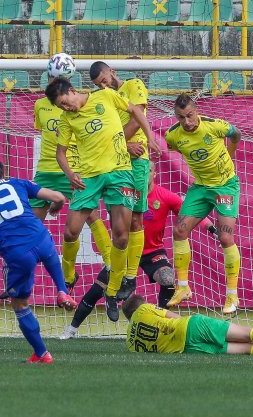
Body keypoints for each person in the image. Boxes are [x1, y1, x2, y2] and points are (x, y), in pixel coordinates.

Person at [59, 161, 217, 339]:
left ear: (155, 174)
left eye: (149, 171)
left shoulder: (165, 196)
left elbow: (190, 211)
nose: (145, 174)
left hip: (152, 252)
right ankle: (71, 329)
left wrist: (211, 227)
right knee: (97, 289)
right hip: (125, 252)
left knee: (168, 279)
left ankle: (160, 322)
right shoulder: (123, 193)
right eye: (143, 171)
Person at [45, 77, 159, 322]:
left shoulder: (105, 96)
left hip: (119, 174)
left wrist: (150, 136)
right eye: (61, 107)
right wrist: (69, 173)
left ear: (73, 91)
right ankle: (68, 277)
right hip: (89, 178)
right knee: (70, 233)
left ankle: (113, 288)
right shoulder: (67, 120)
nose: (66, 108)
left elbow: (135, 110)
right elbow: (60, 152)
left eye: (66, 102)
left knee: (121, 235)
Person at [0, 158, 76, 364]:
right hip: (41, 238)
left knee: (20, 303)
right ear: (3, 174)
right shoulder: (18, 183)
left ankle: (42, 353)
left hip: (17, 253)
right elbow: (59, 196)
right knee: (49, 250)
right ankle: (63, 291)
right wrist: (55, 206)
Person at [31, 76, 114, 291]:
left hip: (77, 168)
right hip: (47, 171)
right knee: (32, 224)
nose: (64, 107)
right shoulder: (41, 105)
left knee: (92, 216)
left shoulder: (88, 105)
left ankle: (111, 263)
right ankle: (25, 274)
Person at [165, 94, 243, 315]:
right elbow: (178, 150)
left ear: (196, 110)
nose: (187, 122)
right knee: (179, 230)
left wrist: (230, 154)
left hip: (225, 186)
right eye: (181, 118)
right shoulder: (173, 136)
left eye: (190, 115)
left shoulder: (214, 126)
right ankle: (182, 288)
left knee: (225, 237)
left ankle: (232, 295)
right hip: (201, 188)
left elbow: (236, 134)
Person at [89, 61, 151, 301]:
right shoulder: (104, 100)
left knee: (136, 218)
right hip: (114, 164)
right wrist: (122, 145)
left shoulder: (134, 85)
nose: (104, 85)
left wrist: (116, 144)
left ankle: (130, 277)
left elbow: (137, 119)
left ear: (112, 71)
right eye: (98, 85)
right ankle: (119, 272)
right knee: (118, 224)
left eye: (104, 80)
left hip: (136, 161)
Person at [122, 294, 253, 356]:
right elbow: (173, 316)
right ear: (140, 306)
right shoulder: (144, 309)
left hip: (188, 349)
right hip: (192, 326)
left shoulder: (131, 344)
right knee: (248, 334)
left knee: (246, 349)